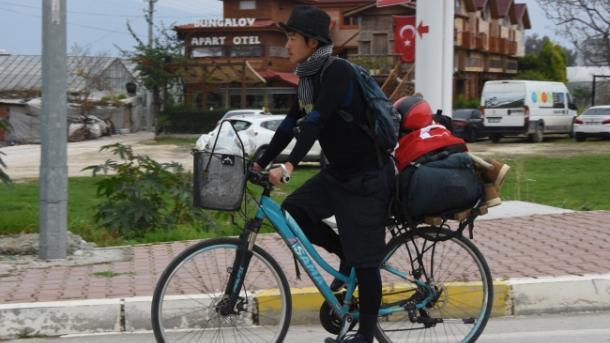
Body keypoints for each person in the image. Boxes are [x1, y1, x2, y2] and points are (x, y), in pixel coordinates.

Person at [252, 5, 394, 343]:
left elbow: (316, 122)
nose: (286, 45)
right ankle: (345, 253)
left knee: (367, 261)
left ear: (312, 43)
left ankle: (365, 336)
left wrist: (288, 166)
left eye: (291, 38)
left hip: (367, 177)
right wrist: (261, 161)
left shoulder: (337, 72)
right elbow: (290, 125)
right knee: (294, 212)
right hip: (339, 175)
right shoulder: (308, 79)